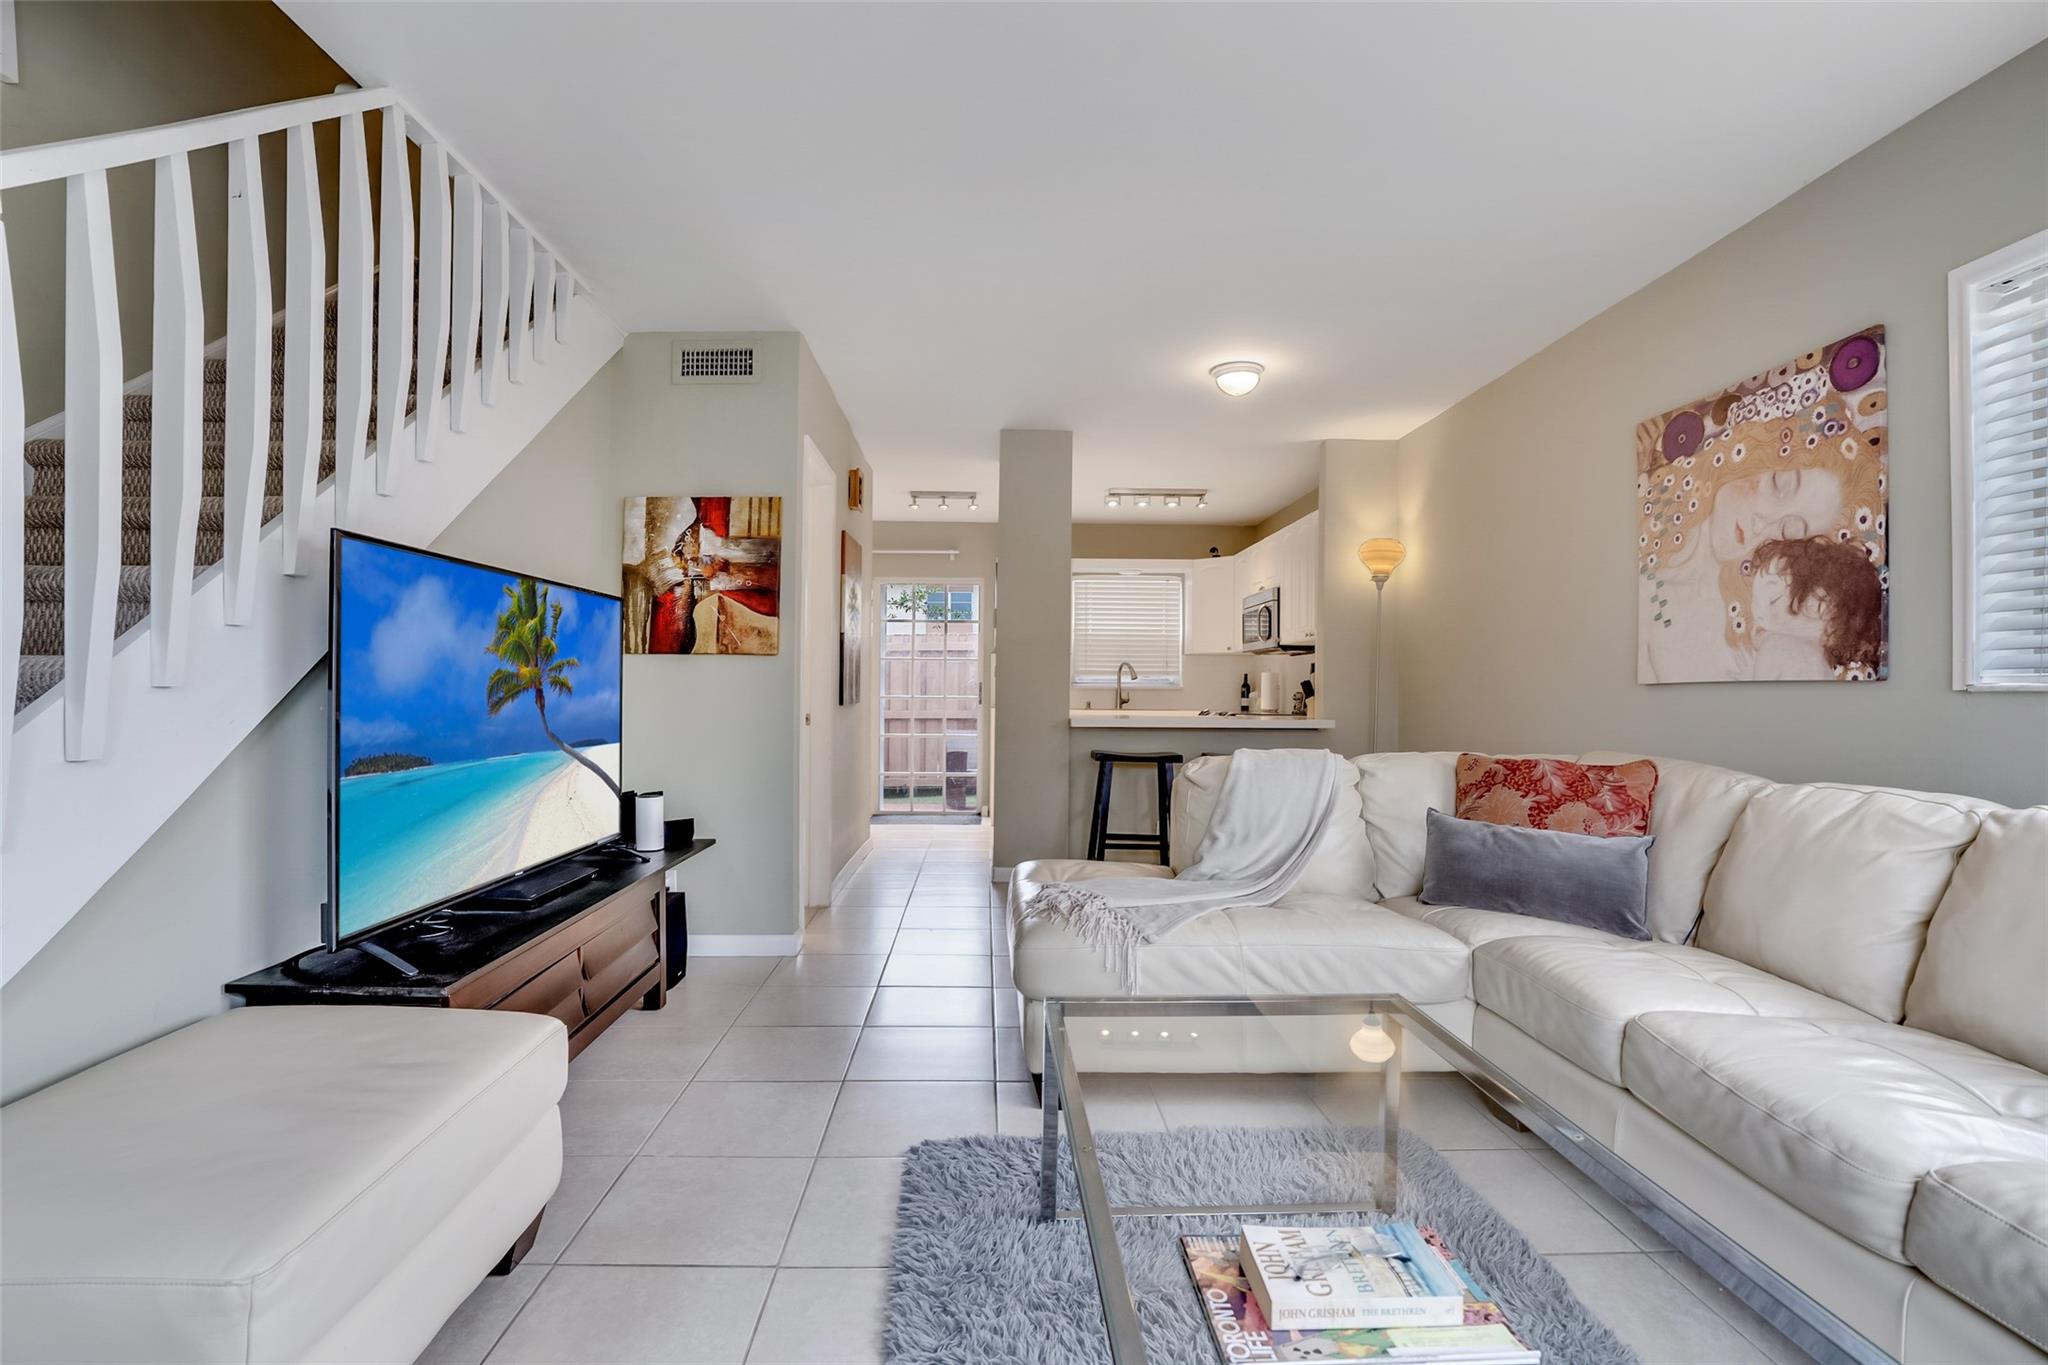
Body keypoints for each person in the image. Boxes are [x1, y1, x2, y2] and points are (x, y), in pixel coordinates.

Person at [1745, 535, 1885, 680]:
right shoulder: (1807, 657)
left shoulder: (1790, 652)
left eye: (1773, 598)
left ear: (1822, 604)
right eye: (1755, 601)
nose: (1757, 613)